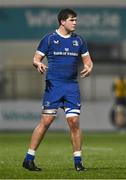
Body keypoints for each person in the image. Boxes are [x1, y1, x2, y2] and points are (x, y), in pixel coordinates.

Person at [22, 8, 93, 172]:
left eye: (76, 20)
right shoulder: (49, 39)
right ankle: (28, 159)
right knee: (46, 121)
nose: (75, 22)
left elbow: (88, 62)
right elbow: (36, 58)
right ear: (62, 21)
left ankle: (78, 162)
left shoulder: (79, 41)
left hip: (71, 86)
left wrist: (89, 68)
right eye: (72, 20)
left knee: (74, 122)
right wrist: (38, 64)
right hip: (54, 85)